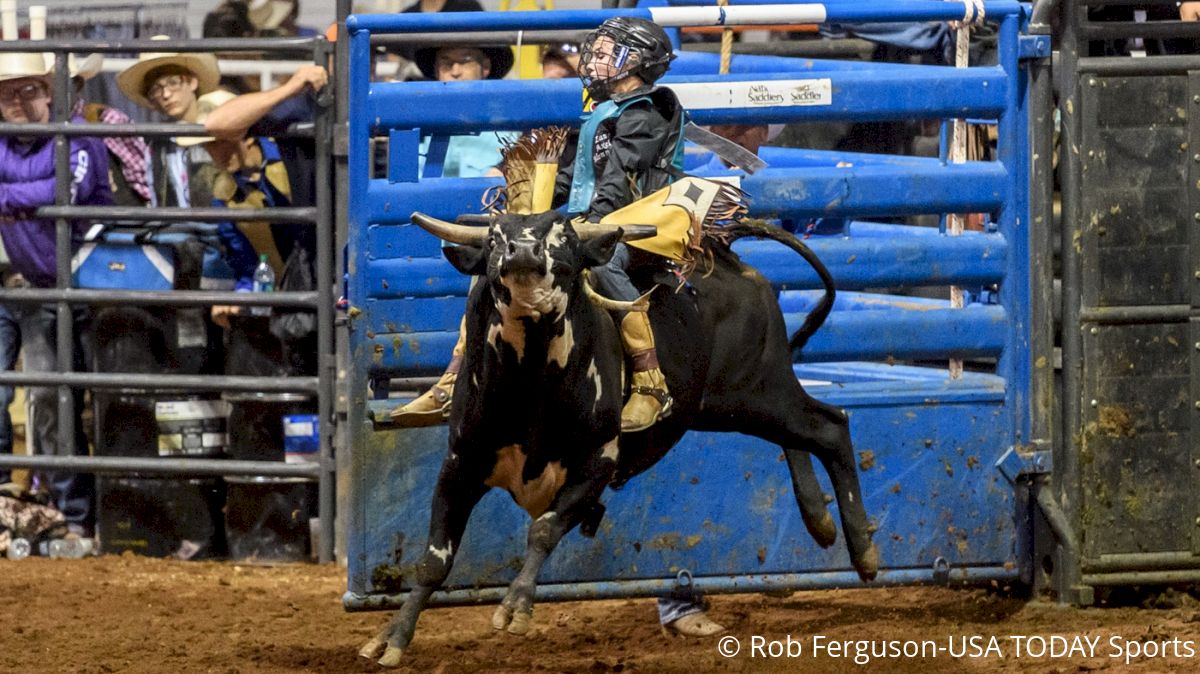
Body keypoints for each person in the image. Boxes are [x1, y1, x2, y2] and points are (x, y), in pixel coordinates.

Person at [0, 52, 113, 537]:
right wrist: (36, 198)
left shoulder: (79, 137)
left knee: (51, 397)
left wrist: (11, 199)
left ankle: (71, 514)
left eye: (29, 89)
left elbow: (66, 189)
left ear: (49, 92)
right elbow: (51, 191)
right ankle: (7, 496)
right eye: (8, 93)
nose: (19, 101)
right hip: (16, 283)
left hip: (63, 287)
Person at [116, 38, 223, 208]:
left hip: (221, 228)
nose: (166, 94)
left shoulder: (220, 129)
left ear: (192, 82)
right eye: (155, 90)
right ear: (151, 101)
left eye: (173, 82)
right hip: (173, 230)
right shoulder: (155, 145)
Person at [412, 43, 518, 177]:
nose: (455, 72)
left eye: (465, 61)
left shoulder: (511, 126)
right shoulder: (416, 124)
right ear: (436, 70)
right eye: (446, 63)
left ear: (485, 67)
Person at [65, 54, 152, 207]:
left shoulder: (106, 119)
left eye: (57, 84)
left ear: (77, 84)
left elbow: (142, 176)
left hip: (115, 220)